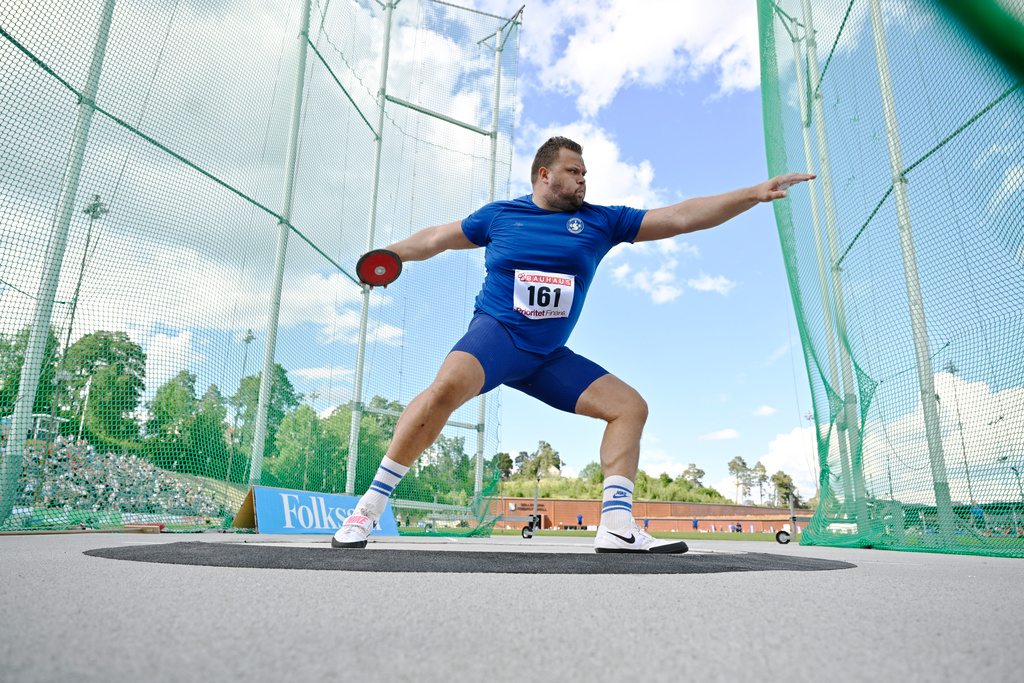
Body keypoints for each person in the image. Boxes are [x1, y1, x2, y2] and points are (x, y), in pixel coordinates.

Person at [332, 136, 814, 553]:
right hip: (497, 336)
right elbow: (438, 237)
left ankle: (617, 526)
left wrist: (753, 193)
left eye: (585, 172)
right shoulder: (500, 216)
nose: (583, 180)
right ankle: (367, 510)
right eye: (574, 171)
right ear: (544, 174)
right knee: (444, 390)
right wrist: (391, 254)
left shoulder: (603, 221)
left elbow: (682, 217)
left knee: (629, 407)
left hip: (546, 357)